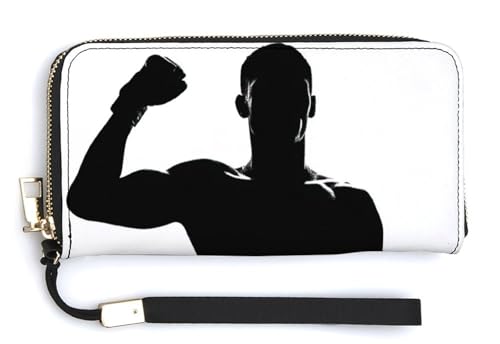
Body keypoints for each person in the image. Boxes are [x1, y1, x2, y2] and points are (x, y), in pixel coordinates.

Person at [67, 43, 383, 255]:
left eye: (293, 94)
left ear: (311, 106)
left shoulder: (351, 206)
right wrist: (131, 104)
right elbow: (88, 200)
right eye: (268, 94)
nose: (282, 107)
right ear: (243, 106)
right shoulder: (208, 189)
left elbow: (366, 298)